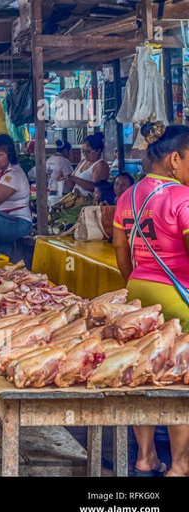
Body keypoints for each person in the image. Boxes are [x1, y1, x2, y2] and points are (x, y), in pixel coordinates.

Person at [112, 122, 189, 477]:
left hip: (139, 289)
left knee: (142, 374)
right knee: (178, 380)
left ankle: (145, 457)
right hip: (176, 296)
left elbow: (120, 249)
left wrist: (136, 281)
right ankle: (179, 465)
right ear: (174, 159)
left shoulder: (127, 196)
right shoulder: (182, 198)